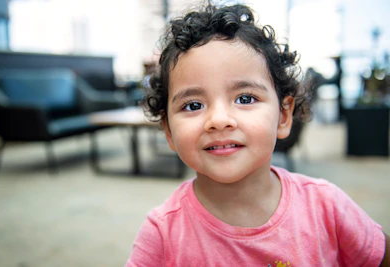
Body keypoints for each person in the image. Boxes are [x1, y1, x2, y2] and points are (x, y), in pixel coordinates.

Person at [126, 2, 389, 266]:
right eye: (193, 105)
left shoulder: (327, 207)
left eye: (245, 98)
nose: (218, 120)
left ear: (283, 116)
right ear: (169, 130)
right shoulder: (161, 233)